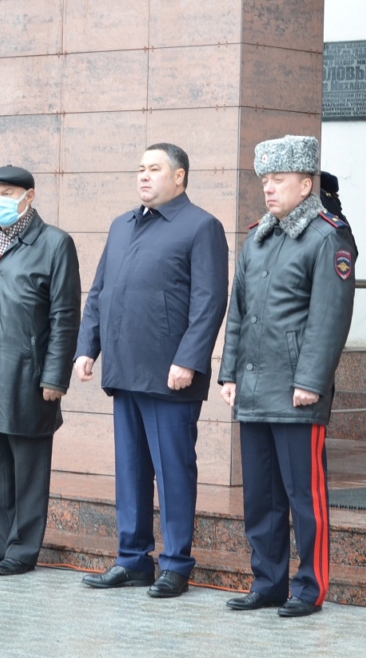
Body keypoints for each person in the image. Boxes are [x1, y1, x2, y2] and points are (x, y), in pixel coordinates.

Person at [76, 143, 229, 598]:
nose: (144, 176)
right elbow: (100, 291)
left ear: (179, 176)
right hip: (125, 369)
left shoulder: (201, 226)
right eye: (140, 169)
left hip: (170, 375)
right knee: (132, 471)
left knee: (174, 471)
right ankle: (132, 559)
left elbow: (209, 301)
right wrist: (89, 347)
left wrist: (188, 359)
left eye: (154, 169)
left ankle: (177, 563)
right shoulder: (121, 225)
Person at [218, 135, 356, 618]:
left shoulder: (326, 236)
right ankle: (268, 581)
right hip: (254, 388)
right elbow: (238, 312)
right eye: (265, 181)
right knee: (261, 496)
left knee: (304, 496)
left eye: (279, 180)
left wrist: (311, 380)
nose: (269, 189)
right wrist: (228, 373)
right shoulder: (257, 237)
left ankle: (309, 587)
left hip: (297, 389)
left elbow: (329, 318)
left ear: (305, 183)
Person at [0, 166, 81, 576]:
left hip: (28, 371)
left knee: (27, 466)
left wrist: (55, 377)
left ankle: (22, 549)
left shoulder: (55, 243)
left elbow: (64, 317)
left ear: (29, 195)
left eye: (8, 192)